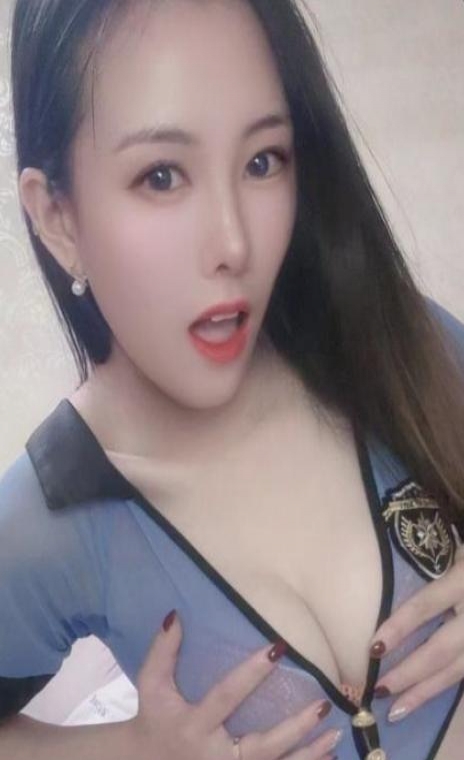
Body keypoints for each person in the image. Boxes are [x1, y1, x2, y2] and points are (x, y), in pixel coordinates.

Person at [0, 0, 463, 758]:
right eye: (161, 176)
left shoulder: (383, 335)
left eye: (262, 161)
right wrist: (126, 749)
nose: (234, 242)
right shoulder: (50, 515)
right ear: (57, 217)